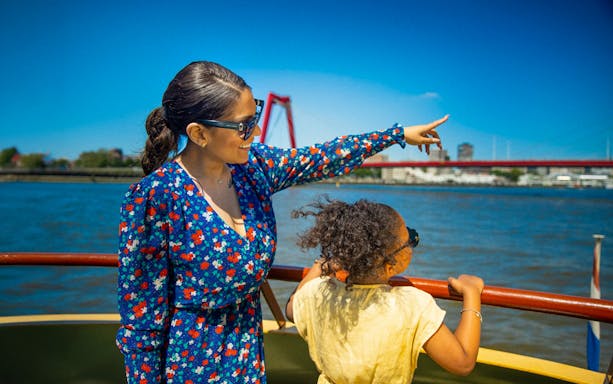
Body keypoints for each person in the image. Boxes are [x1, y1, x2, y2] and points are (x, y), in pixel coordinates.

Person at [116, 60, 449, 384]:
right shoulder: (154, 198)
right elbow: (143, 321)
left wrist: (396, 134)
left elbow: (322, 157)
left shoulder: (254, 169)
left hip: (249, 356)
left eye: (256, 115)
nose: (257, 131)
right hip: (191, 365)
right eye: (244, 125)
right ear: (199, 133)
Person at [286, 197, 484, 383]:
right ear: (391, 265)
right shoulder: (412, 306)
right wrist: (472, 294)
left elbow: (291, 308)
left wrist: (322, 266)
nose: (412, 244)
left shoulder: (319, 293)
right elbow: (462, 363)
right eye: (411, 240)